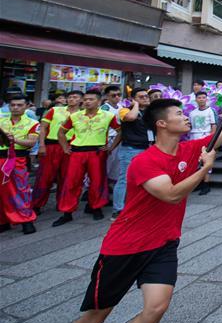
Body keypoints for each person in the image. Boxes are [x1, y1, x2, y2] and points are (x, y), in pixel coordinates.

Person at [58, 87, 222, 323]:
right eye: (180, 114)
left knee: (156, 308)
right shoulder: (144, 161)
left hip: (164, 244)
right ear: (161, 124)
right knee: (97, 315)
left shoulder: (190, 148)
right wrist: (204, 169)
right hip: (125, 247)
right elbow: (171, 194)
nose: (186, 117)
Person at [54, 89, 120, 225]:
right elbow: (61, 133)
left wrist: (111, 147)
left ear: (99, 101)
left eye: (91, 99)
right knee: (72, 182)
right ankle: (67, 212)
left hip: (97, 153)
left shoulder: (108, 116)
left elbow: (120, 131)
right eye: (86, 99)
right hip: (77, 153)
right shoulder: (75, 116)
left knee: (97, 182)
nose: (87, 102)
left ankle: (96, 208)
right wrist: (65, 147)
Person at [34, 90, 82, 213]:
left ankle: (62, 204)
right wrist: (42, 145)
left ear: (81, 100)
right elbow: (43, 128)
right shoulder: (55, 110)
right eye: (70, 97)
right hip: (51, 146)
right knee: (45, 176)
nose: (72, 99)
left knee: (66, 177)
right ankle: (36, 204)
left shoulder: (83, 114)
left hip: (70, 147)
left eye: (75, 97)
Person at [110, 88, 152, 219]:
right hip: (130, 150)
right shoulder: (124, 110)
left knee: (145, 179)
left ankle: (139, 205)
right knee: (124, 179)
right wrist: (136, 105)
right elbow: (131, 117)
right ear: (133, 99)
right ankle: (118, 209)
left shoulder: (150, 113)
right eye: (141, 97)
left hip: (147, 149)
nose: (145, 98)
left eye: (146, 96)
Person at [0, 93, 38, 235]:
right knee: (1, 191)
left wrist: (14, 140)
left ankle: (26, 220)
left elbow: (32, 142)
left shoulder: (32, 123)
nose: (15, 107)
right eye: (13, 105)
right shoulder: (1, 120)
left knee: (21, 190)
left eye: (19, 105)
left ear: (27, 106)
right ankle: (3, 221)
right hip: (1, 158)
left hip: (18, 159)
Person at [188, 91, 216, 195]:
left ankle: (206, 184)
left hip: (206, 137)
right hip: (194, 137)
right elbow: (189, 126)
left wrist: (212, 139)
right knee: (195, 161)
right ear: (196, 99)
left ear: (206, 99)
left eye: (203, 97)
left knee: (206, 161)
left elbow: (214, 125)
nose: (201, 99)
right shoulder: (192, 113)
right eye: (199, 98)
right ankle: (198, 183)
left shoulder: (210, 111)